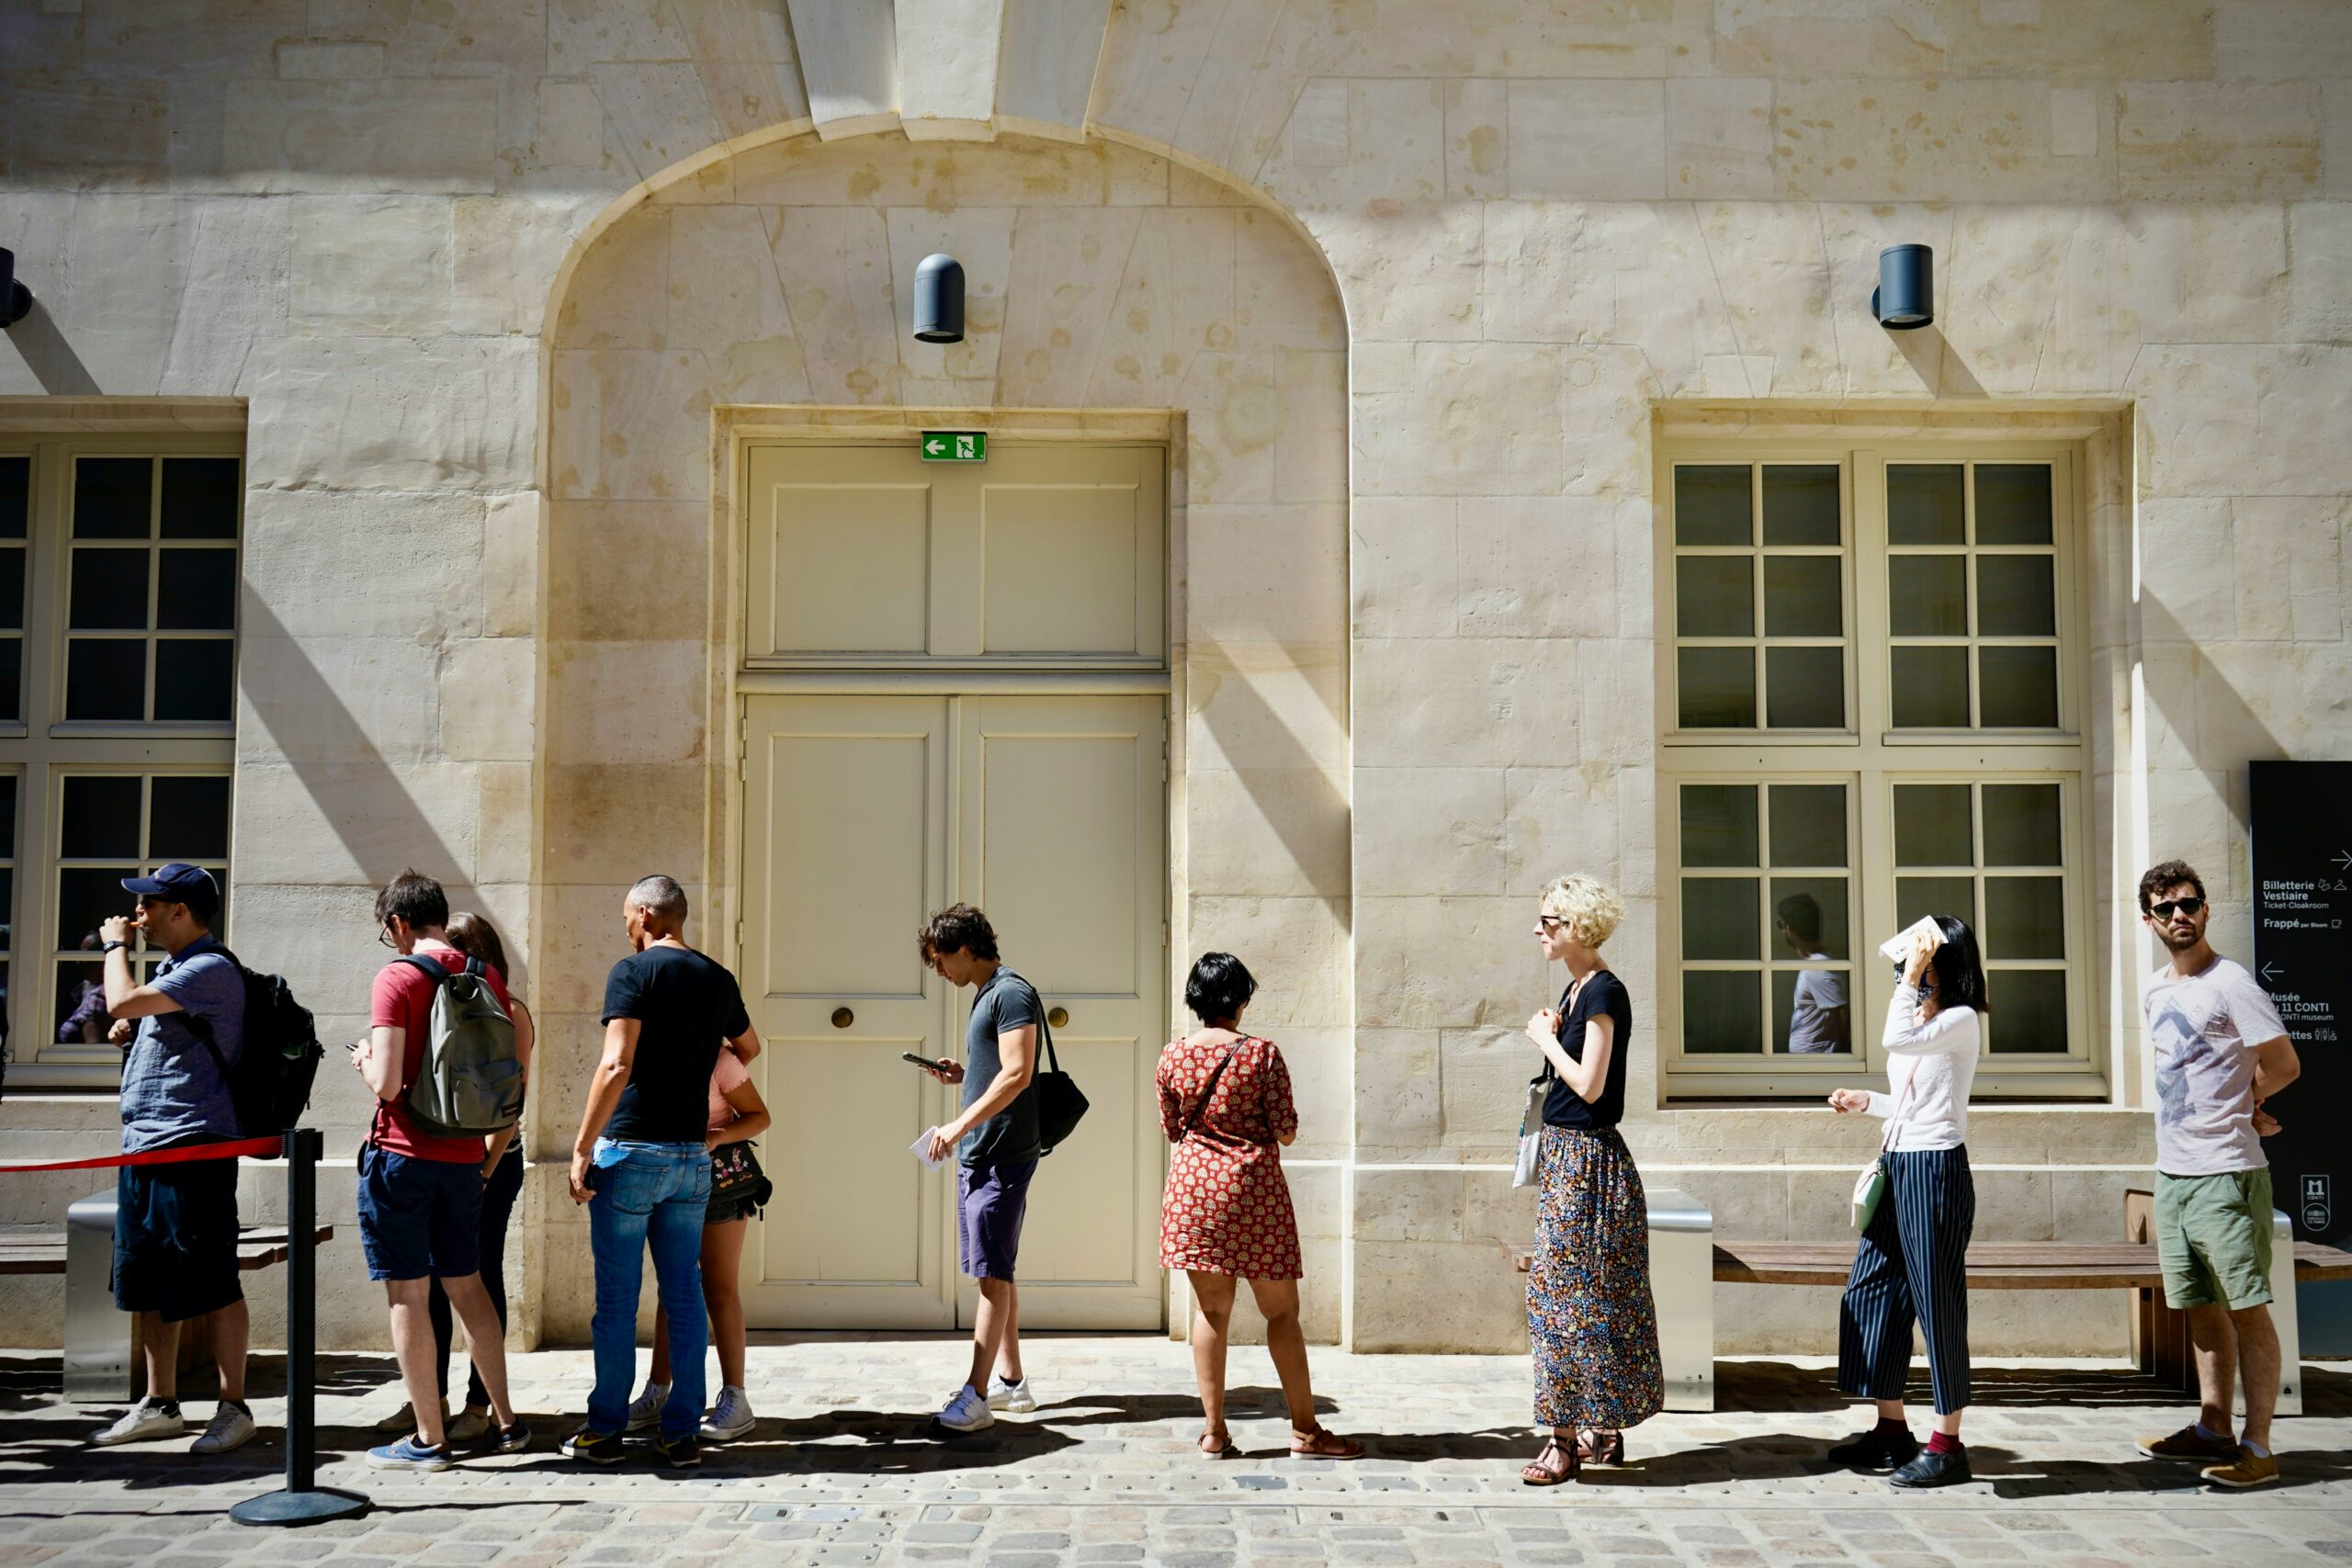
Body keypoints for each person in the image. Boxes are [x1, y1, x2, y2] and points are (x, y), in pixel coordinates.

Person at [564, 874, 760, 1469]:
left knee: (617, 1302)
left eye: (627, 915)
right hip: (690, 1157)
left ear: (647, 914)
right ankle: (681, 1432)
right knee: (684, 1294)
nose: (626, 926)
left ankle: (606, 1428)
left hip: (631, 1151)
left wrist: (582, 1145)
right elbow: (749, 1047)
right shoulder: (717, 977)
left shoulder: (634, 972)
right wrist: (694, 1064)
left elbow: (615, 1063)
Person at [2132, 860, 2301, 1490]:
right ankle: (2212, 1427)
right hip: (2174, 1173)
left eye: (2188, 904)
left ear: (2205, 910)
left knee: (2247, 1309)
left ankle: (2259, 1447)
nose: (2178, 915)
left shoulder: (2233, 983)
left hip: (2227, 1171)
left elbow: (2284, 1063)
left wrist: (2249, 1101)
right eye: (2165, 907)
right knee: (2200, 1306)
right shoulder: (2156, 990)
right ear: (2148, 920)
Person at [354, 872, 528, 1470]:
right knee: (469, 1286)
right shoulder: (487, 977)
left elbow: (387, 1083)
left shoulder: (397, 976)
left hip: (403, 1154)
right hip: (464, 1158)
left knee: (407, 1292)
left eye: (388, 932)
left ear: (398, 923)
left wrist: (363, 1059)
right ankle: (507, 1422)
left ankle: (429, 1438)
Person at [1159, 953, 1362, 1461]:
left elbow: (1173, 1130)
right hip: (1252, 1194)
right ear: (1240, 1000)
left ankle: (1213, 1432)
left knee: (1211, 1311)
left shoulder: (1172, 1056)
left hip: (1193, 1192)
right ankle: (1306, 1432)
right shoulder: (1262, 1054)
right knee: (1282, 1313)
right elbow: (1286, 1131)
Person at [88, 863, 254, 1454]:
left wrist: (114, 947)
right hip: (145, 1143)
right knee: (151, 1276)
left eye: (149, 905)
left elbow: (119, 1001)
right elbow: (142, 1022)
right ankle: (161, 1404)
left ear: (180, 911)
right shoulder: (173, 971)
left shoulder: (210, 968)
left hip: (193, 1143)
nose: (139, 915)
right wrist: (135, 1035)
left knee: (212, 1275)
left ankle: (234, 1407)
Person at [1825, 915, 1984, 1488]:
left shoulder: (1962, 1020)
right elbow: (1913, 1100)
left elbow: (1895, 1042)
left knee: (1937, 1304)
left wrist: (1912, 976)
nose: (1905, 974)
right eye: (1902, 967)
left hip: (1935, 1169)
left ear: (1946, 966)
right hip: (1898, 1163)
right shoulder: (1921, 1019)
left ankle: (1947, 1444)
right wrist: (1867, 1101)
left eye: (1915, 965)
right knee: (1870, 1290)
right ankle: (1891, 1428)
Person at [1518, 874, 1663, 1485]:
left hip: (1589, 1165)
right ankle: (1599, 1429)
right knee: (1581, 1298)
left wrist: (1546, 1040)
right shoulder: (1578, 989)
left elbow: (1590, 1085)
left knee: (1562, 1300)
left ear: (1574, 927)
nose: (1538, 930)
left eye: (1548, 921)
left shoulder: (1604, 991)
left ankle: (1563, 1442)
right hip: (1568, 1160)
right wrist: (1556, 1029)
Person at [914, 904, 1045, 1433]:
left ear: (965, 949)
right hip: (983, 1150)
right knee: (996, 1269)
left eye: (940, 960)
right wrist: (965, 1076)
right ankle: (1012, 1384)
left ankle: (976, 1395)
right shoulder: (987, 994)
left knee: (992, 1273)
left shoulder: (1011, 993)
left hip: (1002, 1152)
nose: (939, 971)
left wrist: (957, 1125)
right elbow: (998, 1071)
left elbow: (1018, 1073)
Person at [628, 1040, 772, 1442]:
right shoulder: (642, 1049)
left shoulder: (718, 1057)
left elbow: (760, 1116)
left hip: (719, 1183)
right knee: (671, 1287)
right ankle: (658, 1391)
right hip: (668, 1179)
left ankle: (736, 1399)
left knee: (719, 1288)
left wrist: (716, 1137)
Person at [1778, 893, 1849, 1055]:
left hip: (1815, 1061)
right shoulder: (1815, 965)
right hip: (1810, 1061)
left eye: (1781, 925)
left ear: (1789, 929)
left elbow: (1842, 1016)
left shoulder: (1817, 968)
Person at [58, 931, 111, 1044]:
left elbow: (94, 1049)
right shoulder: (84, 990)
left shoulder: (98, 997)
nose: (78, 962)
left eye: (85, 956)